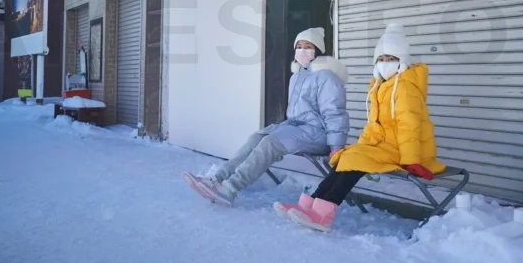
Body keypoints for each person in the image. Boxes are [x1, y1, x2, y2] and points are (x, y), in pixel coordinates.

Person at [274, 24, 444, 232]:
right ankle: (309, 206)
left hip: (406, 151)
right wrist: (361, 146)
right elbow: (374, 126)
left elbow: (410, 127)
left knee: (354, 160)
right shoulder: (380, 86)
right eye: (381, 59)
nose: (385, 64)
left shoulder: (406, 88)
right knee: (347, 155)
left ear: (402, 61)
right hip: (386, 146)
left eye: (391, 59)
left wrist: (412, 160)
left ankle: (322, 216)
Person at [184, 27, 348, 206]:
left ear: (318, 51)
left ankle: (230, 189)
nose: (302, 50)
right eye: (299, 46)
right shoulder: (298, 76)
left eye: (308, 46)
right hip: (297, 129)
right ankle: (216, 180)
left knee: (271, 143)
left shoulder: (326, 77)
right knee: (257, 137)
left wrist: (336, 145)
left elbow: (334, 112)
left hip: (318, 134)